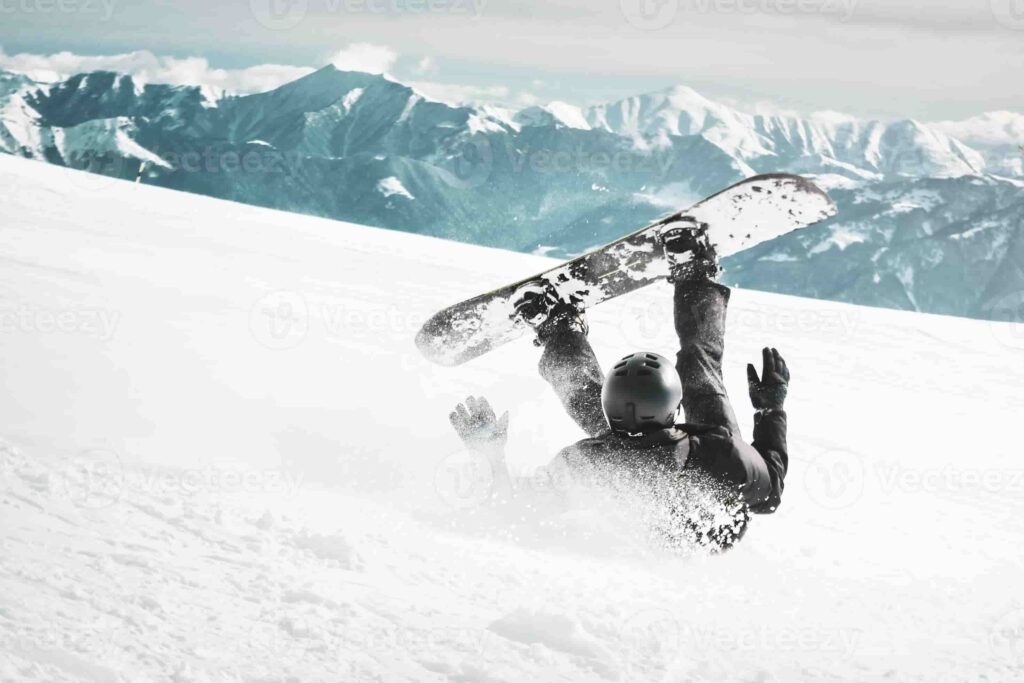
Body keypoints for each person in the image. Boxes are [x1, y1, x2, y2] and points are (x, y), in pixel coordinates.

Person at [448, 219, 790, 551]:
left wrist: (489, 454)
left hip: (654, 497)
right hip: (708, 527)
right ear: (674, 409)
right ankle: (695, 273)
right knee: (700, 373)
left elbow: (513, 510)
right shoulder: (720, 451)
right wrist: (770, 408)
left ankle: (559, 330)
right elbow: (771, 493)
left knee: (594, 408)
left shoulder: (589, 461)